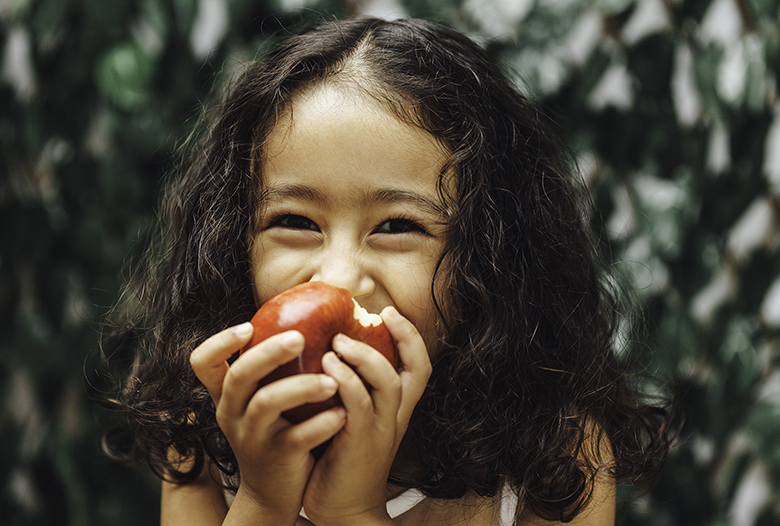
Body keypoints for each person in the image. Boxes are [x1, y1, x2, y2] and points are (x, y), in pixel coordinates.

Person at [103, 16, 670, 526]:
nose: (340, 277)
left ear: (491, 259)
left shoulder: (559, 457)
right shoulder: (202, 434)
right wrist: (263, 501)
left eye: (397, 227)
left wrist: (351, 513)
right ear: (234, 242)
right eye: (295, 220)